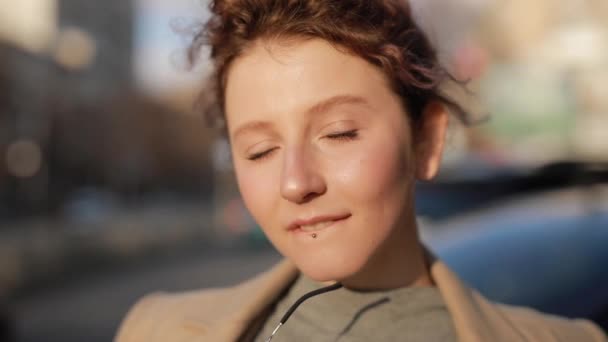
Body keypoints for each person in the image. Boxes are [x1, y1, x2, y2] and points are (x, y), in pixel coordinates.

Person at [115, 0, 607, 341]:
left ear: (426, 139)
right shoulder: (157, 330)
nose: (295, 182)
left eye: (339, 133)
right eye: (260, 150)